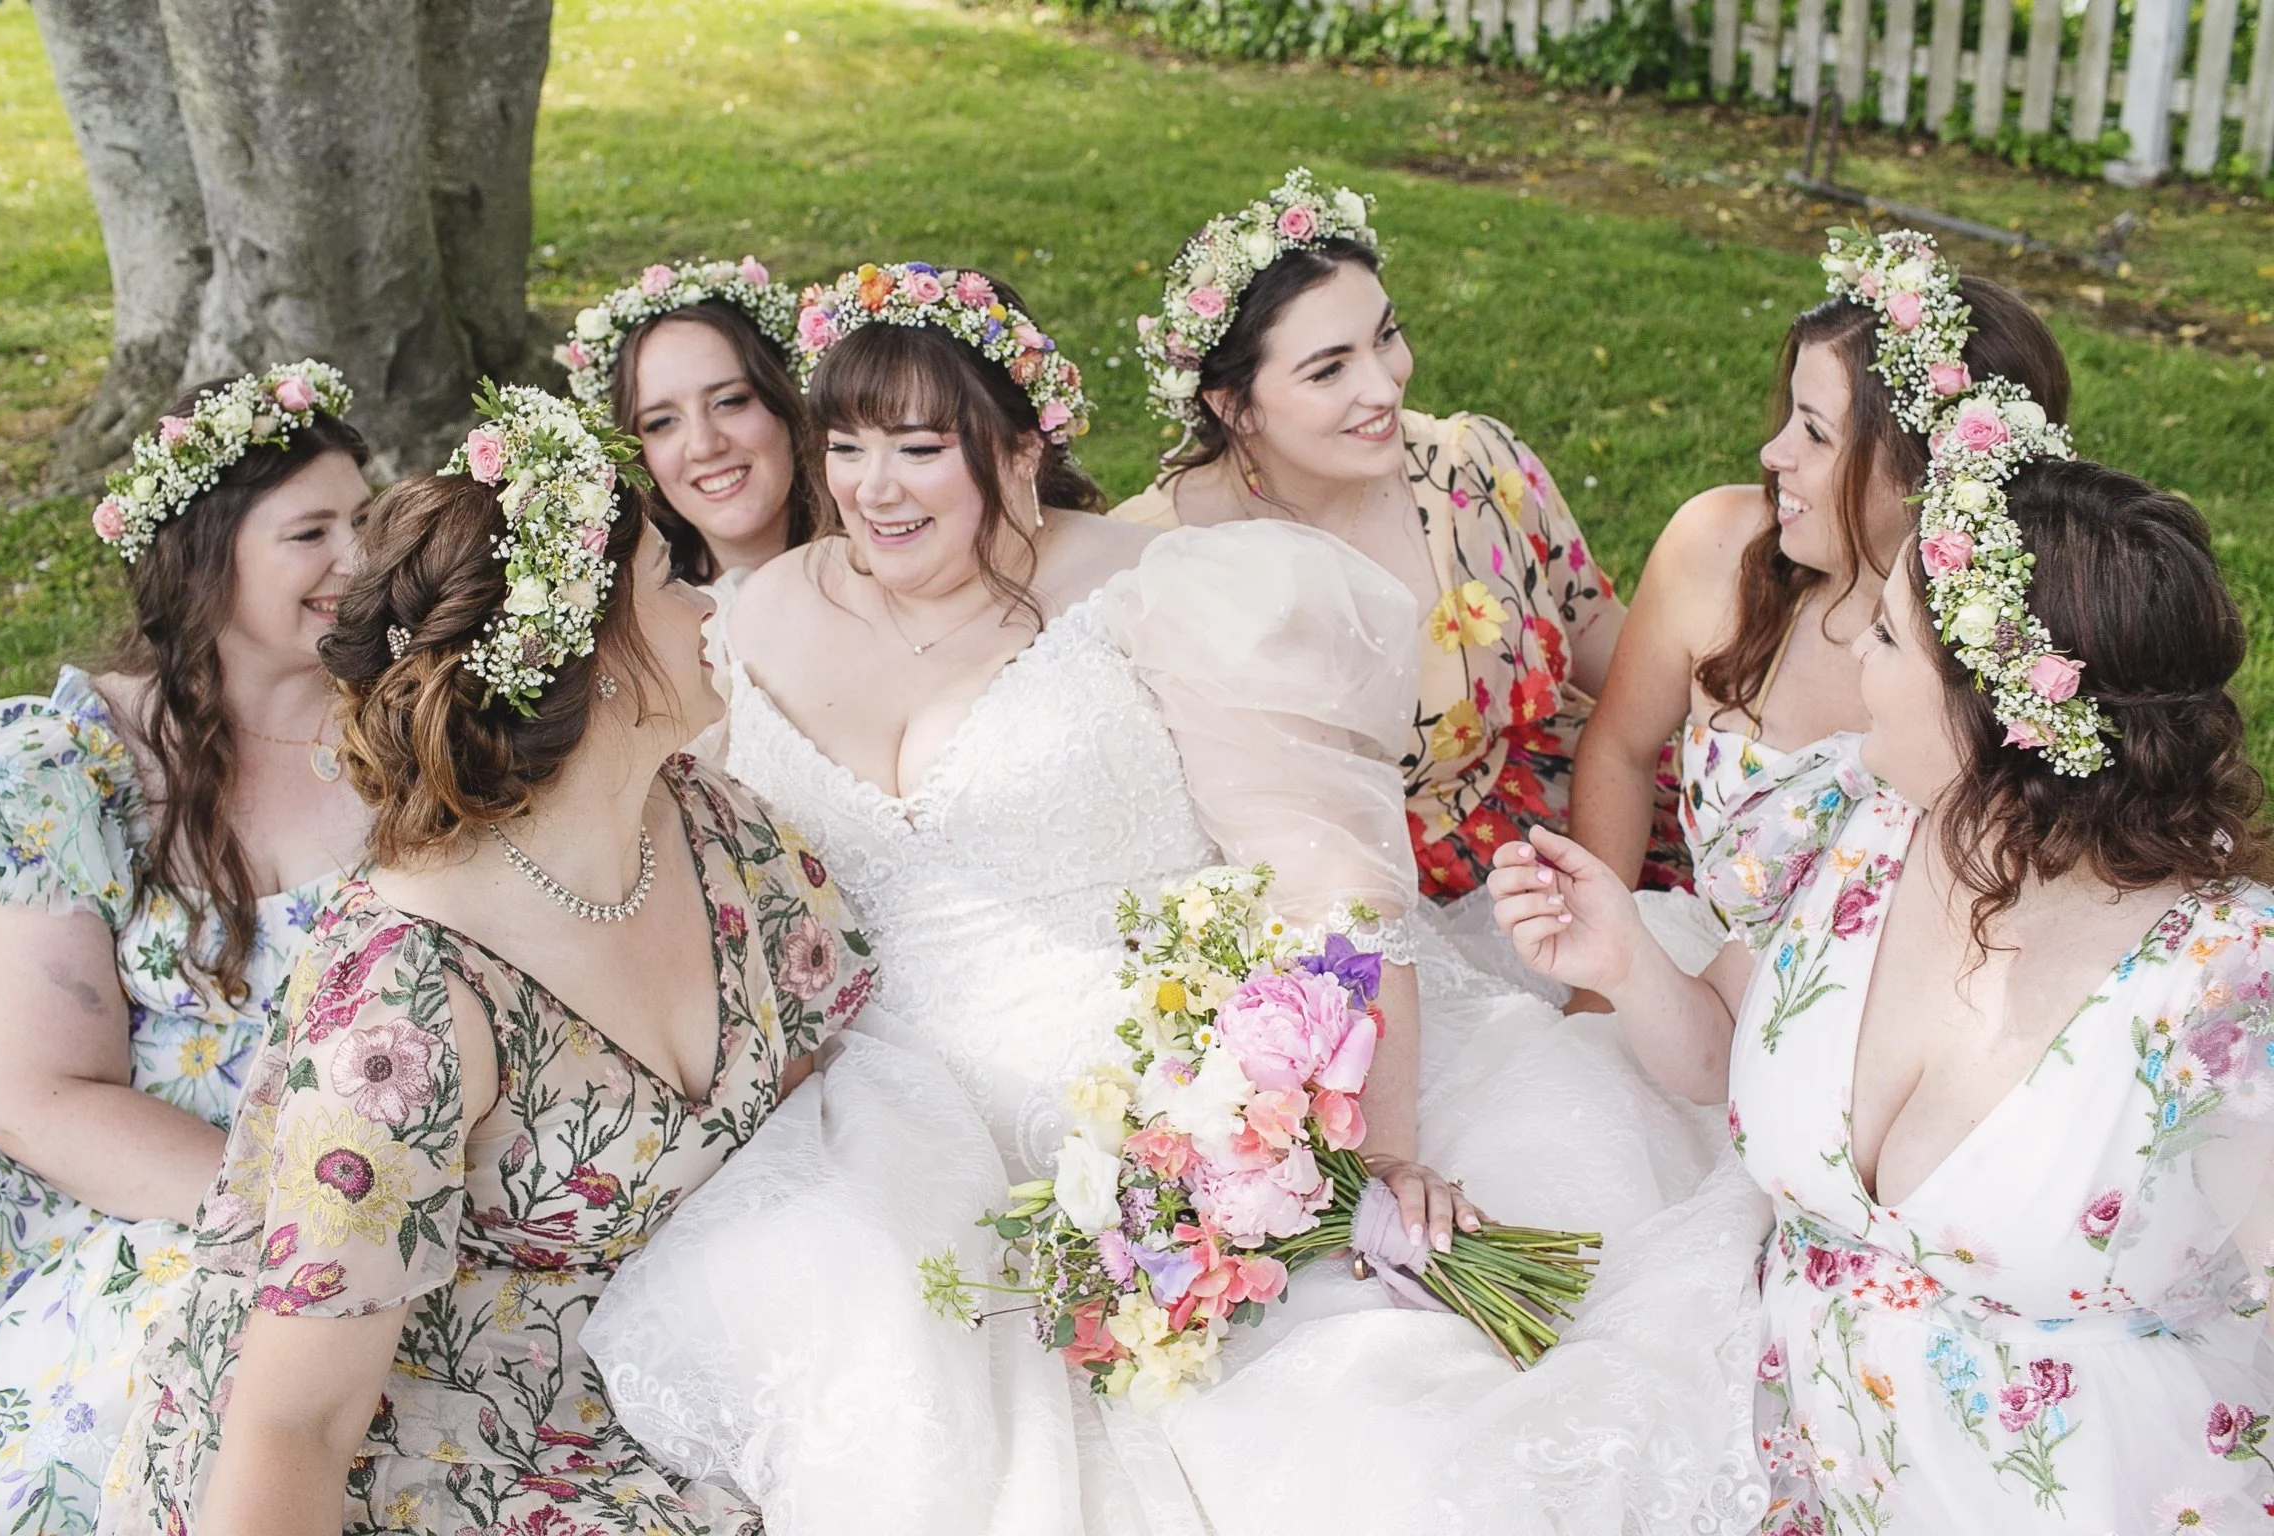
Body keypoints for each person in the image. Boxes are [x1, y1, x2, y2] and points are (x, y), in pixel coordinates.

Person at [582, 260, 1772, 1536]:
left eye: (919, 447)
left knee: (1375, 1449)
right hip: (902, 1122)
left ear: (1021, 447)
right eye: (848, 445)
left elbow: (1339, 888)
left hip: (1190, 1102)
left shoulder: (1159, 587)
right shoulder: (752, 621)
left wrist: (1369, 1146)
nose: (873, 487)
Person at [103, 386, 873, 1535]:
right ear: (593, 649)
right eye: (676, 576)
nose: (715, 601)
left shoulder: (717, 827)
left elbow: (825, 1077)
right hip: (439, 1456)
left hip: (686, 1361)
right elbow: (295, 1425)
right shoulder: (407, 1002)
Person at [1490, 432, 2274, 1531]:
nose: (1853, 639)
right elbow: (1721, 1046)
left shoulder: (2225, 994)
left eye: (1893, 632)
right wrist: (1623, 961)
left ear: (1996, 718)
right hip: (1770, 1452)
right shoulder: (1861, 824)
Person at [0, 363, 370, 1534]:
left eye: (365, 518)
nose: (358, 558)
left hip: (389, 1186)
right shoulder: (72, 765)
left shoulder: (422, 723)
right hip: (164, 1207)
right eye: (312, 532)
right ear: (207, 560)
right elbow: (38, 1090)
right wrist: (285, 1233)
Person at [1110, 168, 1679, 913]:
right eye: (1329, 369)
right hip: (1327, 913)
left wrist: (1738, 730)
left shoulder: (1473, 465)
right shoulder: (1150, 561)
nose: (1383, 387)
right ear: (1233, 408)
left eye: (1385, 336)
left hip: (1547, 841)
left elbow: (1599, 627)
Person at [1571, 230, 2069, 972]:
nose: (1774, 453)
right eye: (1789, 417)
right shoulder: (1715, 545)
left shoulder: (2016, 661)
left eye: (1813, 432)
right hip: (1675, 973)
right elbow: (1619, 749)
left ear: (1921, 473)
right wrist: (1597, 985)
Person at [559, 256, 813, 596]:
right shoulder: (632, 618)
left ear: (786, 400)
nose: (704, 445)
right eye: (662, 422)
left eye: (729, 402)